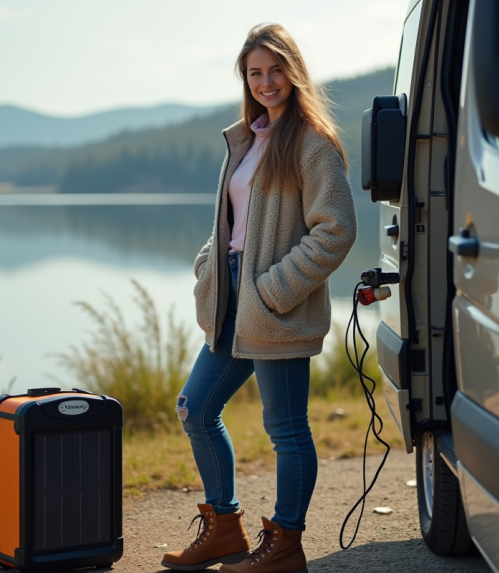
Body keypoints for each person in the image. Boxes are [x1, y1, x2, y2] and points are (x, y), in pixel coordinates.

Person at [161, 22, 357, 573]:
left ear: (293, 73)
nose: (265, 82)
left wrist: (274, 289)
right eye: (255, 73)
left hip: (275, 303)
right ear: (245, 79)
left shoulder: (313, 143)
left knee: (286, 429)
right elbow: (234, 220)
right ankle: (224, 529)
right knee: (195, 408)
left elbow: (336, 230)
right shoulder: (247, 138)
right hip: (231, 295)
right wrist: (208, 264)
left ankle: (285, 544)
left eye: (275, 70)